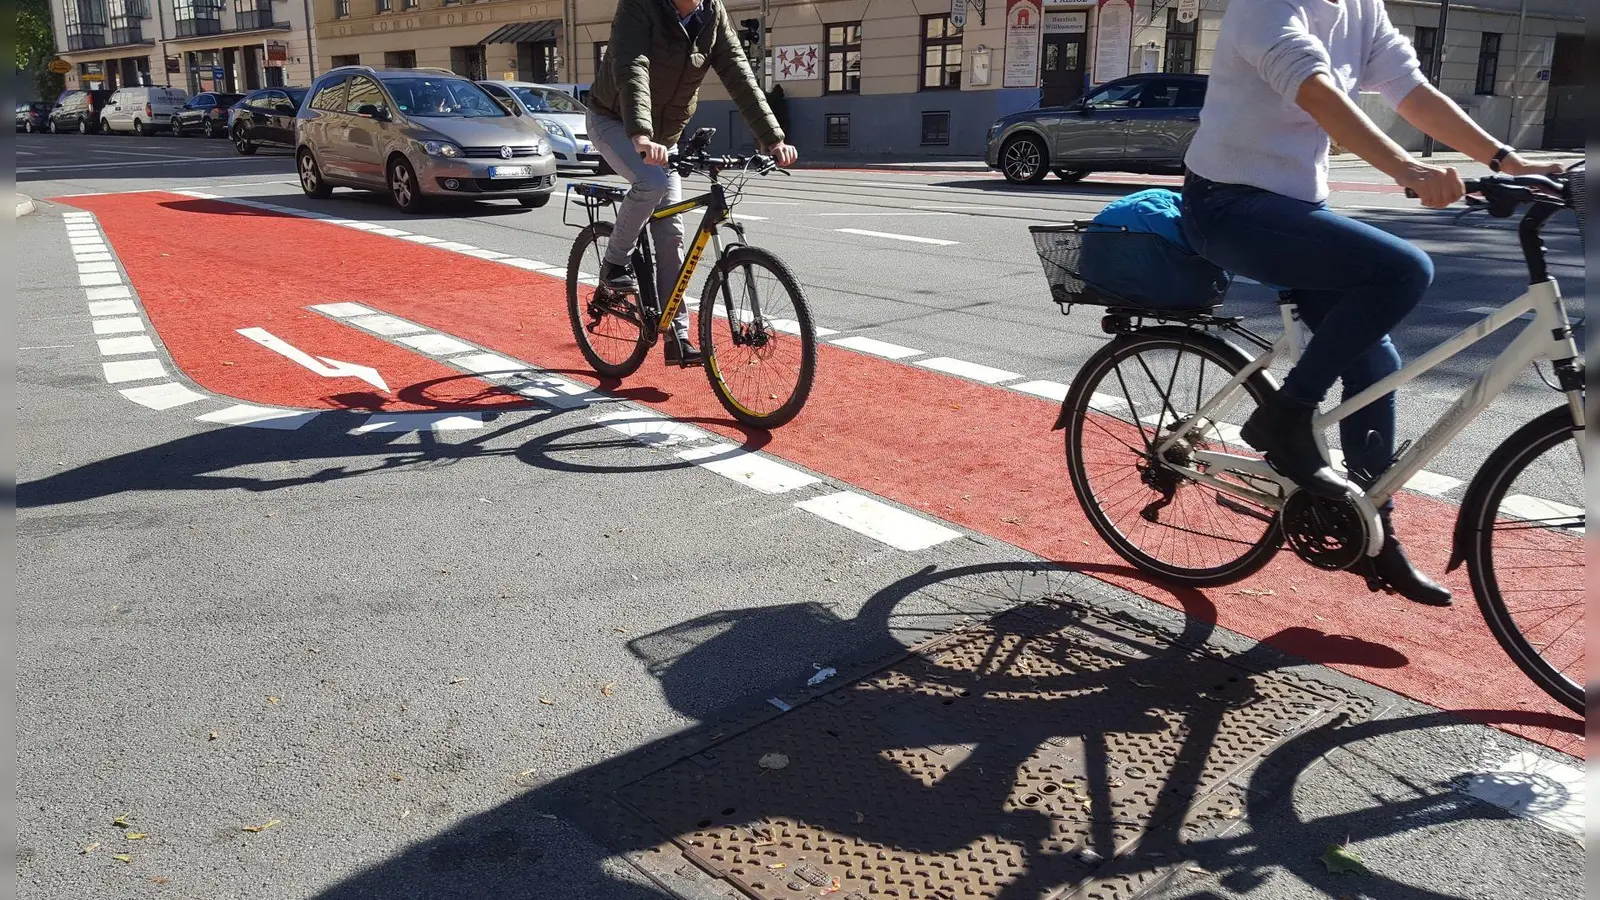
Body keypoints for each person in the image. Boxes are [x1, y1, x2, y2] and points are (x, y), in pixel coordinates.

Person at [1180, 0, 1564, 606]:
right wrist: (1408, 168)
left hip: (1294, 210)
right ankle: (1286, 416)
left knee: (1374, 363)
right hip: (1226, 207)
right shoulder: (1265, 5)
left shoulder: (1363, 9)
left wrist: (1508, 162)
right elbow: (1315, 91)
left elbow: (1412, 90)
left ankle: (1369, 527)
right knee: (1403, 269)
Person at [587, 0, 798, 364]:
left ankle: (677, 334)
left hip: (664, 137)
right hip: (614, 120)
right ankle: (615, 263)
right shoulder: (640, 6)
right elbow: (632, 66)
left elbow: (739, 74)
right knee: (651, 182)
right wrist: (639, 134)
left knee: (671, 234)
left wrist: (773, 138)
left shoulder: (711, 15)